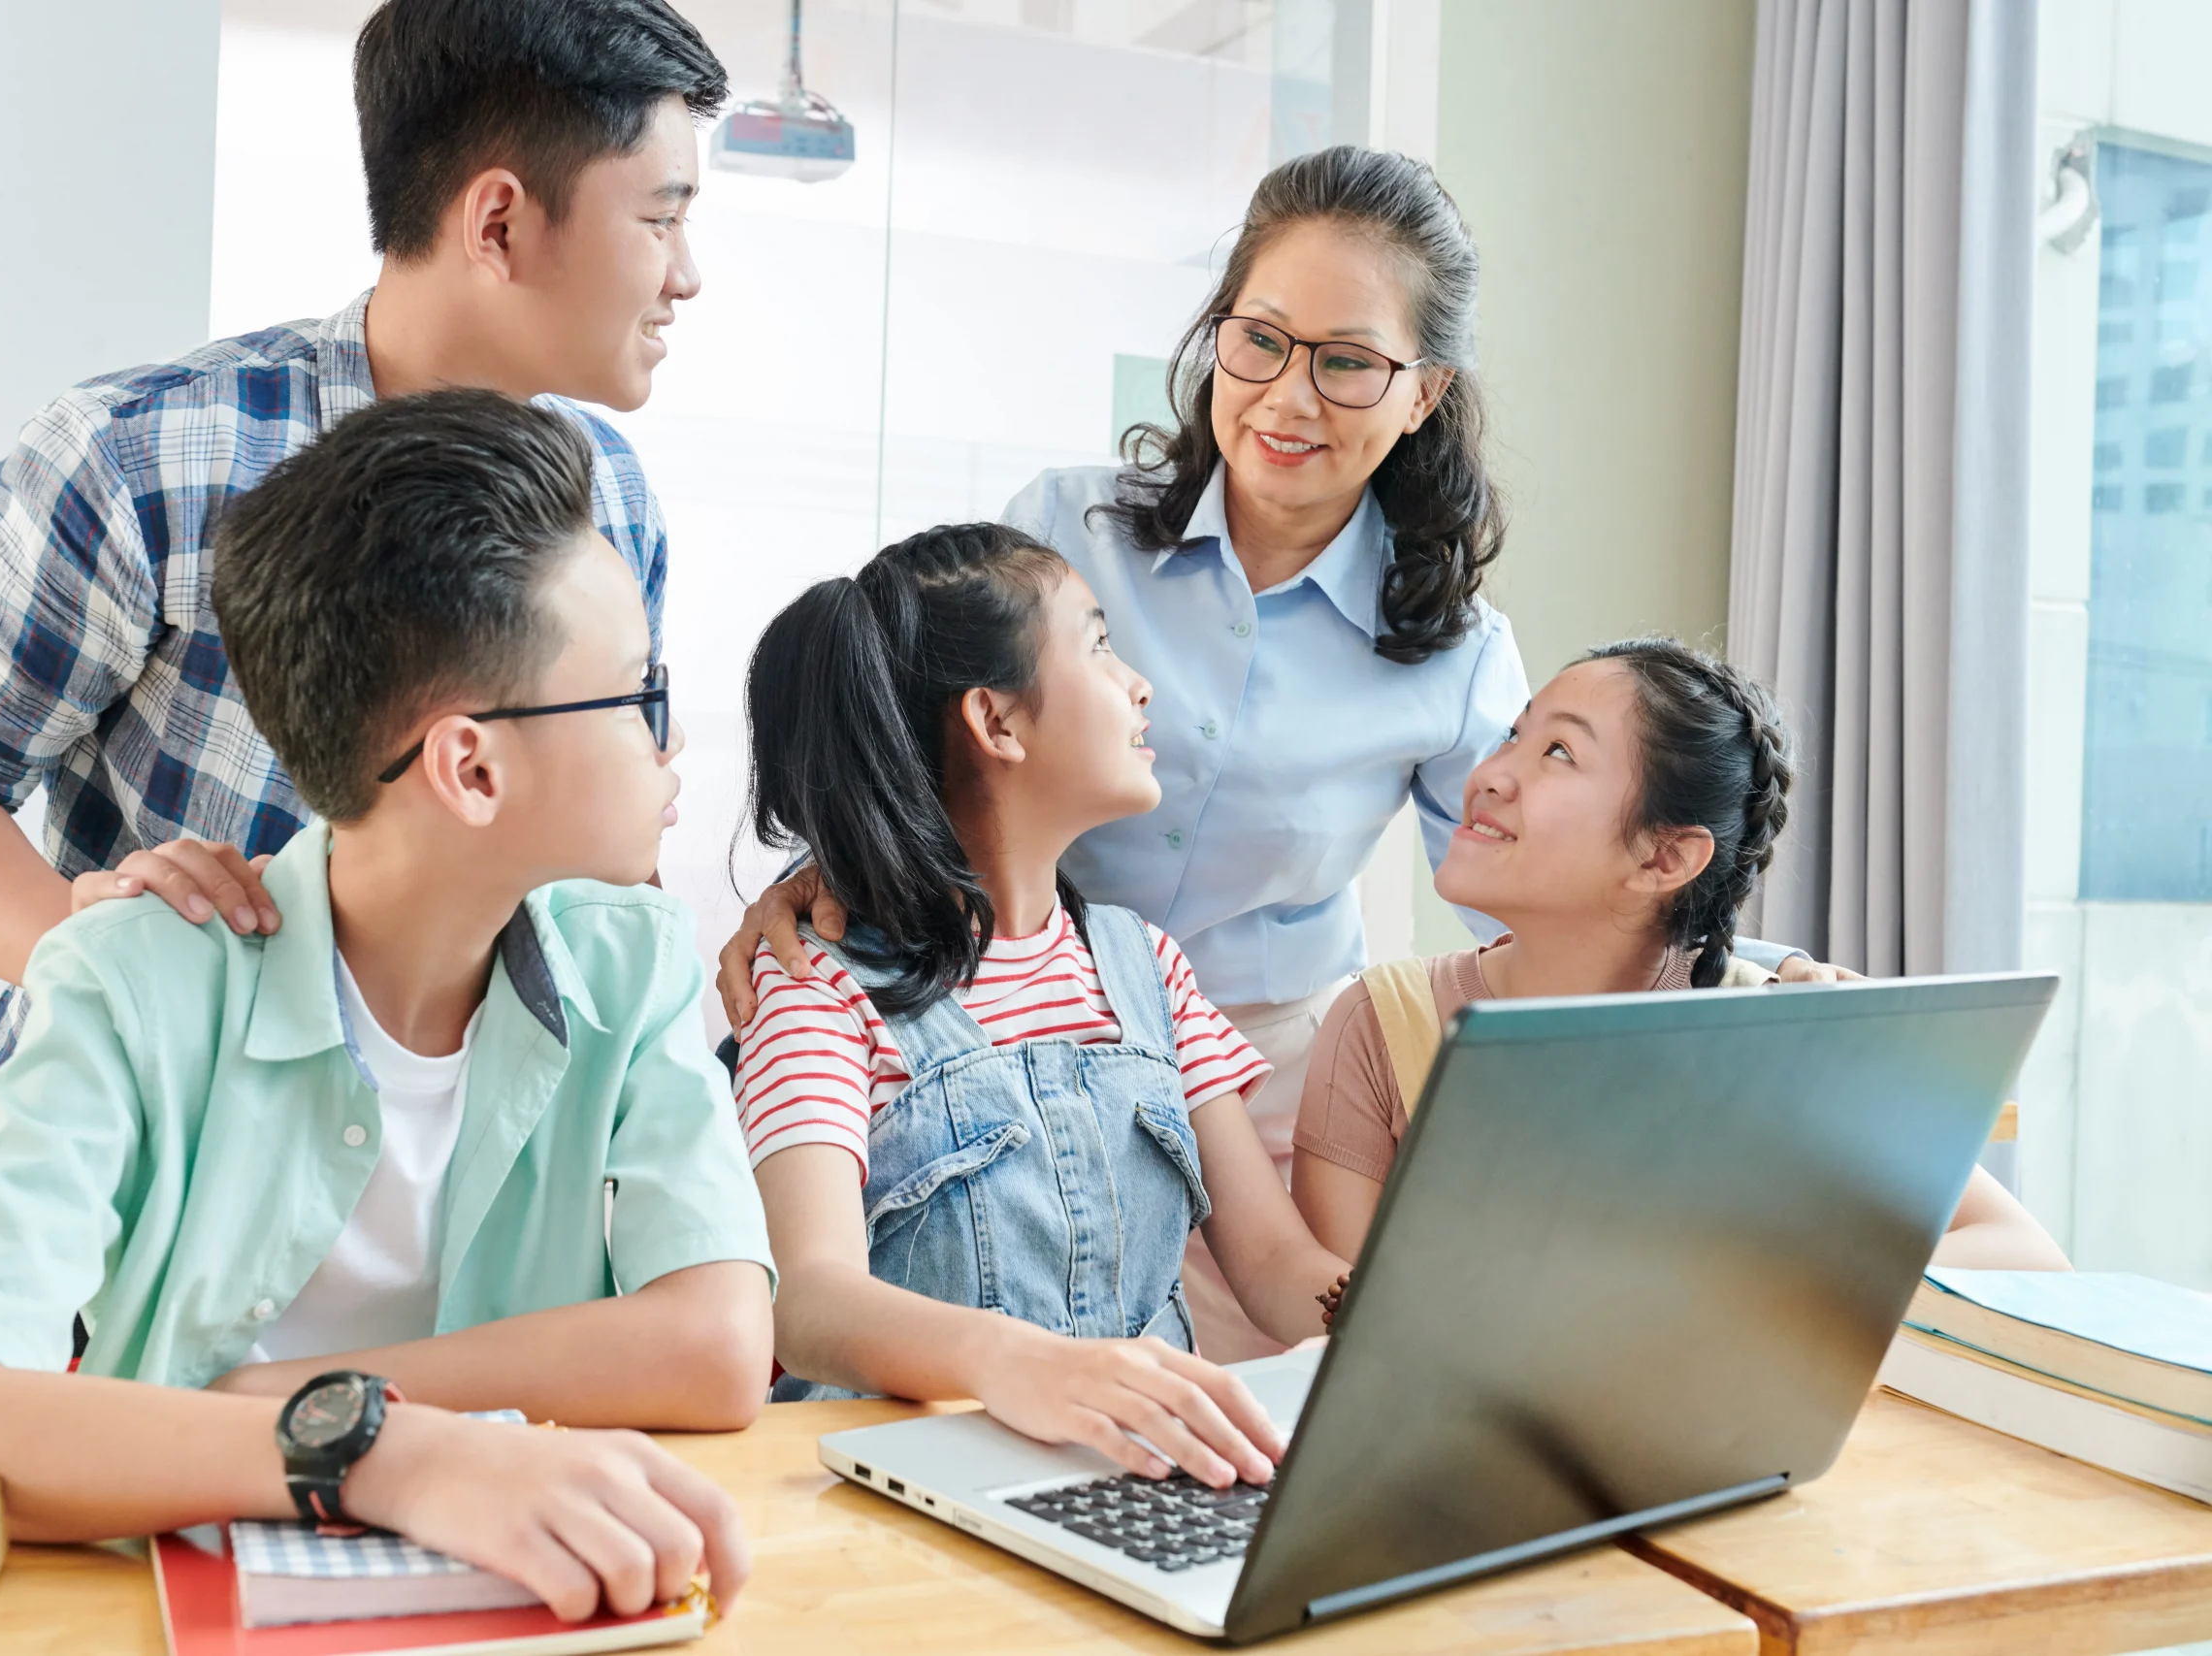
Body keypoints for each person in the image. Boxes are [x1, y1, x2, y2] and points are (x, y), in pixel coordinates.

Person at [720, 146, 1848, 1361]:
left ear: (1421, 392)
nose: (1286, 397)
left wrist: (1747, 972)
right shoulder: (1062, 531)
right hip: (968, 1015)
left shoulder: (1455, 653)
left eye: (1348, 363)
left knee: (1229, 1405)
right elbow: (912, 700)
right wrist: (830, 879)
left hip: (1251, 1079)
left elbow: (1563, 887)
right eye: (1258, 340)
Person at [0, 391, 778, 1619]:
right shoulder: (134, 979)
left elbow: (714, 1346)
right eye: (640, 696)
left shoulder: (630, 962)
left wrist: (296, 1398)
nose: (673, 743)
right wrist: (386, 1452)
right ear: (471, 767)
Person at [0, 0, 723, 1065]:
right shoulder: (148, 458)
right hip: (161, 1140)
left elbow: (598, 858)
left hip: (460, 1158)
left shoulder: (612, 499)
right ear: (498, 223)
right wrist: (109, 962)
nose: (687, 275)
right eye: (661, 220)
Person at [732, 523, 1350, 1491]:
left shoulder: (1148, 969)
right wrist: (1018, 1364)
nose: (1138, 684)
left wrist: (1398, 1322)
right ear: (998, 723)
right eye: (1099, 646)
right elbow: (807, 1302)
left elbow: (1271, 1262)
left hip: (1134, 1488)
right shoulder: (820, 985)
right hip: (912, 1502)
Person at [1288, 637, 2070, 1274]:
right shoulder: (1380, 1026)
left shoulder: (1772, 1026)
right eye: (1513, 735)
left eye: (1557, 753)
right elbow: (1338, 1324)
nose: (1491, 774)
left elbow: (2023, 1255)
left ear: (1664, 860)